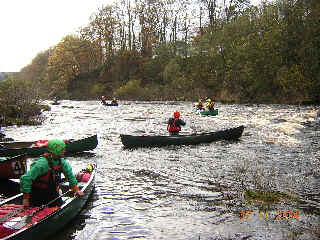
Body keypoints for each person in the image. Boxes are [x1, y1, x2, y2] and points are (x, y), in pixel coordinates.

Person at [20, 139, 84, 208]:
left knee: (59, 206)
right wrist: (26, 199)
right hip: (36, 194)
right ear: (56, 150)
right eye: (62, 149)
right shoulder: (42, 164)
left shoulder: (62, 163)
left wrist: (76, 189)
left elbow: (70, 176)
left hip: (51, 193)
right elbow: (25, 179)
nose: (64, 151)